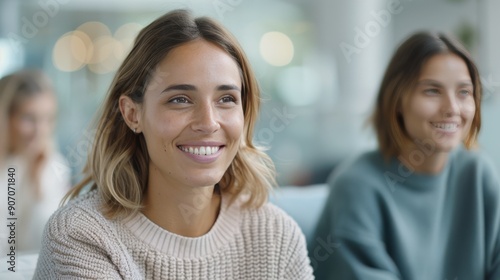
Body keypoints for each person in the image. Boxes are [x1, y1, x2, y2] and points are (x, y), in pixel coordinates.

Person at [34, 9, 313, 279]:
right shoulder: (81, 235)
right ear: (133, 114)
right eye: (180, 99)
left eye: (226, 99)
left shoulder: (276, 235)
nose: (209, 122)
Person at [309, 31, 500, 279]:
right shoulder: (356, 186)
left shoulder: (477, 172)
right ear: (398, 99)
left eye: (464, 92)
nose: (452, 108)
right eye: (432, 91)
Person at [0, 69, 71, 254]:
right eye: (28, 118)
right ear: (5, 118)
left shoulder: (53, 165)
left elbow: (54, 244)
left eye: (48, 119)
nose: (40, 131)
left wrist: (38, 185)